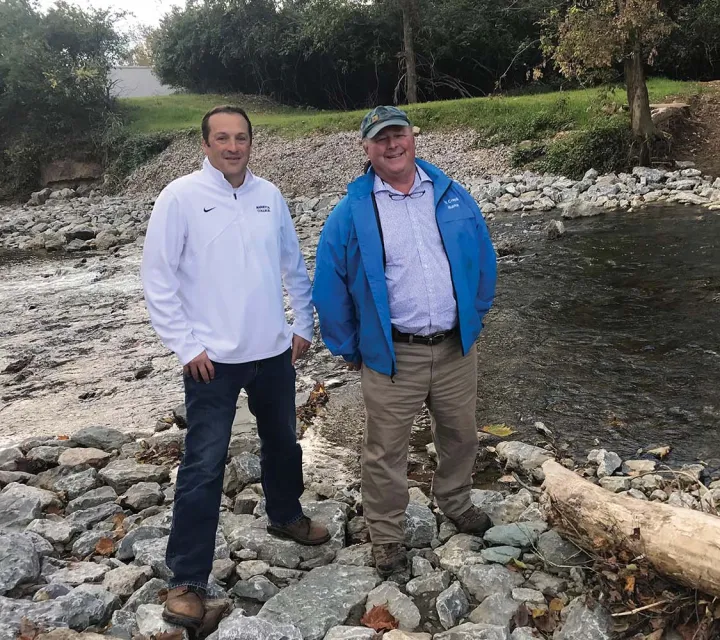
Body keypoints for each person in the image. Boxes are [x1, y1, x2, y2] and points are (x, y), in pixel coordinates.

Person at [141, 105, 330, 629]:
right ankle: (187, 580)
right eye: (221, 138)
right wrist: (186, 347)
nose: (232, 146)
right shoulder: (179, 198)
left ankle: (286, 515)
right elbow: (157, 279)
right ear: (204, 144)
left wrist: (303, 327)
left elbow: (294, 268)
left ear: (251, 142)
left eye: (240, 137)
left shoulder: (269, 197)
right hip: (212, 362)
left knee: (283, 440)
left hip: (272, 352)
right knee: (203, 466)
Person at [313, 106, 497, 577]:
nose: (392, 145)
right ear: (366, 148)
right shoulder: (350, 211)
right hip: (393, 354)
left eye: (398, 135)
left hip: (457, 348)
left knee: (460, 434)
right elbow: (329, 287)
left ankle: (455, 500)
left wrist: (475, 313)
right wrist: (351, 348)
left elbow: (483, 254)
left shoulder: (451, 195)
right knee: (385, 451)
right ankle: (388, 536)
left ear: (412, 137)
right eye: (380, 139)